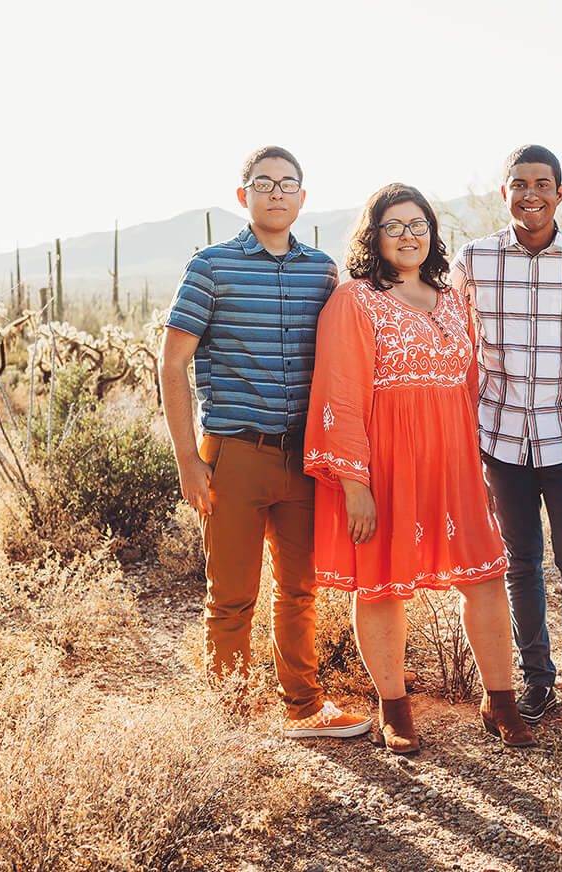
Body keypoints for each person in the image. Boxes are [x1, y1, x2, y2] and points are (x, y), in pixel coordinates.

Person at [305, 183, 535, 753]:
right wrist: (355, 486)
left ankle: (499, 699)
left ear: (432, 233)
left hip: (453, 460)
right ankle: (395, 708)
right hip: (386, 464)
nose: (408, 235)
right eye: (394, 225)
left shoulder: (452, 298)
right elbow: (342, 394)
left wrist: (477, 459)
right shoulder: (354, 300)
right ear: (374, 235)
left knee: (484, 574)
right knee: (382, 582)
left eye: (418, 224)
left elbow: (469, 385)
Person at [161, 146, 370, 738]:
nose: (276, 193)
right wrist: (187, 459)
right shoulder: (211, 267)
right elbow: (172, 363)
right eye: (263, 183)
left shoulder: (324, 272)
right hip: (233, 454)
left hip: (304, 457)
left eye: (288, 184)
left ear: (303, 198)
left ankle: (302, 706)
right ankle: (226, 721)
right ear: (242, 196)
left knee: (300, 591)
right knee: (231, 596)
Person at [458, 145, 562, 723]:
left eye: (542, 183)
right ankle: (538, 680)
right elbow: (449, 335)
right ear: (503, 192)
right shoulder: (473, 259)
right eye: (519, 183)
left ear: (561, 192)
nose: (530, 193)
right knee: (521, 563)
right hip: (501, 438)